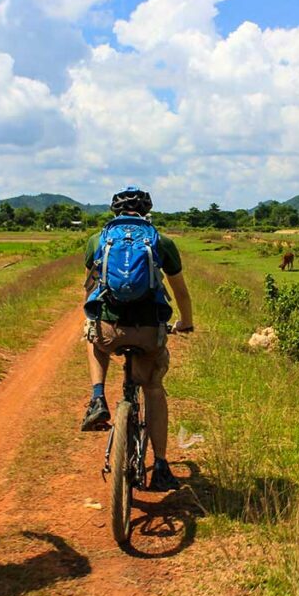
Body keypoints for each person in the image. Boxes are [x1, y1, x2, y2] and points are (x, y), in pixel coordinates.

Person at [81, 186, 193, 492]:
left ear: (114, 211)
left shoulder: (97, 239)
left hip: (109, 330)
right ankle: (160, 465)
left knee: (93, 336)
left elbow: (90, 286)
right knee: (154, 388)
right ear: (146, 211)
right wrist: (186, 322)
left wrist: (95, 316)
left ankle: (97, 398)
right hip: (148, 332)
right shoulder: (162, 241)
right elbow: (180, 291)